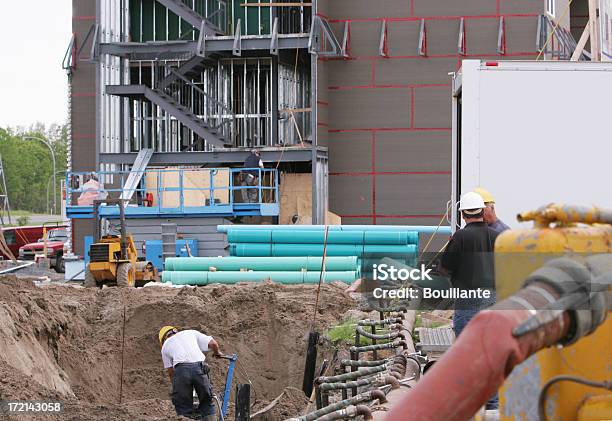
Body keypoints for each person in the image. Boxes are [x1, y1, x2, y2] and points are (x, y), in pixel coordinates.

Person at [441, 191, 500, 409]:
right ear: (482, 212)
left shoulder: (459, 238)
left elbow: (446, 267)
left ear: (463, 214)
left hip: (467, 305)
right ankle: (493, 405)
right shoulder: (497, 237)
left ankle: (469, 405)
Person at [159, 326, 224, 421]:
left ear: (164, 339)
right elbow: (213, 343)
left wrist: (177, 388)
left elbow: (171, 372)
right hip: (200, 368)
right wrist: (217, 352)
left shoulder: (165, 346)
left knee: (183, 407)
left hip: (180, 371)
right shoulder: (191, 332)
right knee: (207, 403)